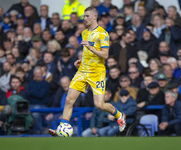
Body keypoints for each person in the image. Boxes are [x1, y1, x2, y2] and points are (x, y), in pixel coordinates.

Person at [49, 7, 126, 136]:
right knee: (69, 99)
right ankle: (62, 129)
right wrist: (81, 60)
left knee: (99, 105)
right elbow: (88, 53)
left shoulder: (103, 34)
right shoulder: (84, 32)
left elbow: (105, 55)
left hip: (97, 73)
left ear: (95, 16)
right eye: (84, 16)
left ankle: (119, 115)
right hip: (83, 71)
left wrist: (90, 47)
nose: (84, 19)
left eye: (87, 16)